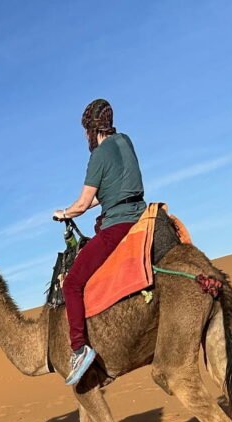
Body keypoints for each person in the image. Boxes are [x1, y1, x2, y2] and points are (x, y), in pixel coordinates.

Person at [54, 98, 146, 386]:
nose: (86, 137)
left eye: (86, 132)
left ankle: (79, 349)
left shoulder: (98, 155)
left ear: (91, 130)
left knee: (72, 283)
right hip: (142, 217)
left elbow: (83, 203)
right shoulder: (125, 141)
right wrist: (79, 207)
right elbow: (106, 193)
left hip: (118, 226)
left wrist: (64, 213)